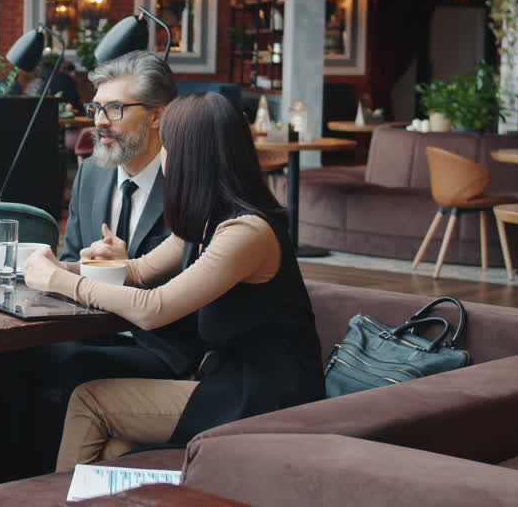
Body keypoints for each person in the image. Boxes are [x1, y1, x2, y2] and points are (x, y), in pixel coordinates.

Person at [23, 92, 324, 468]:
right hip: (228, 380)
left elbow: (154, 308)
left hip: (268, 393)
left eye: (166, 144)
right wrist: (60, 267)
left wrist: (58, 281)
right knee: (115, 450)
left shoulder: (245, 232)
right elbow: (139, 270)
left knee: (89, 401)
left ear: (189, 155)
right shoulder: (205, 221)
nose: (161, 155)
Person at [19, 50, 182, 474]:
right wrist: (78, 265)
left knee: (79, 364)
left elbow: (196, 281)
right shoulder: (93, 171)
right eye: (97, 107)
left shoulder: (187, 181)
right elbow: (74, 255)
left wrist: (124, 268)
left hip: (167, 346)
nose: (99, 121)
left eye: (114, 108)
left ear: (157, 116)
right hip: (93, 330)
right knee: (11, 360)